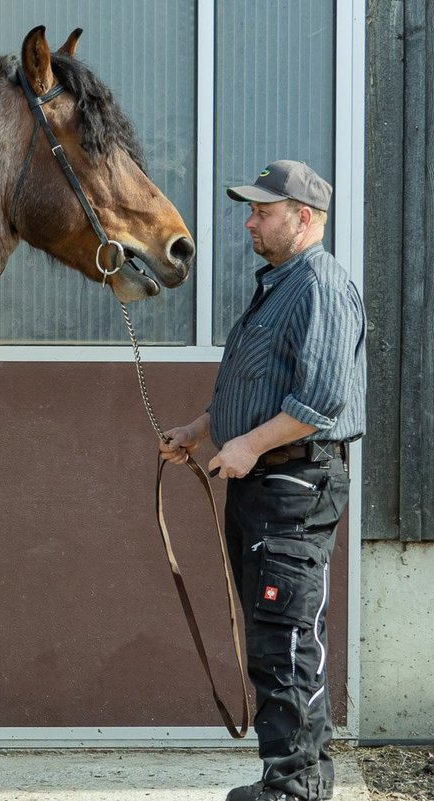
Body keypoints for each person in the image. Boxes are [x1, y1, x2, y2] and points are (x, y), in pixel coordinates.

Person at [159, 160, 365, 801]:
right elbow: (258, 388)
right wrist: (201, 430)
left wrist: (247, 445)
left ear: (304, 219)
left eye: (262, 211)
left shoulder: (321, 287)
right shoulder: (279, 285)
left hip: (296, 487)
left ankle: (296, 788)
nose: (249, 221)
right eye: (251, 210)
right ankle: (296, 776)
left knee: (286, 638)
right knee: (275, 636)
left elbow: (321, 402)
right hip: (265, 486)